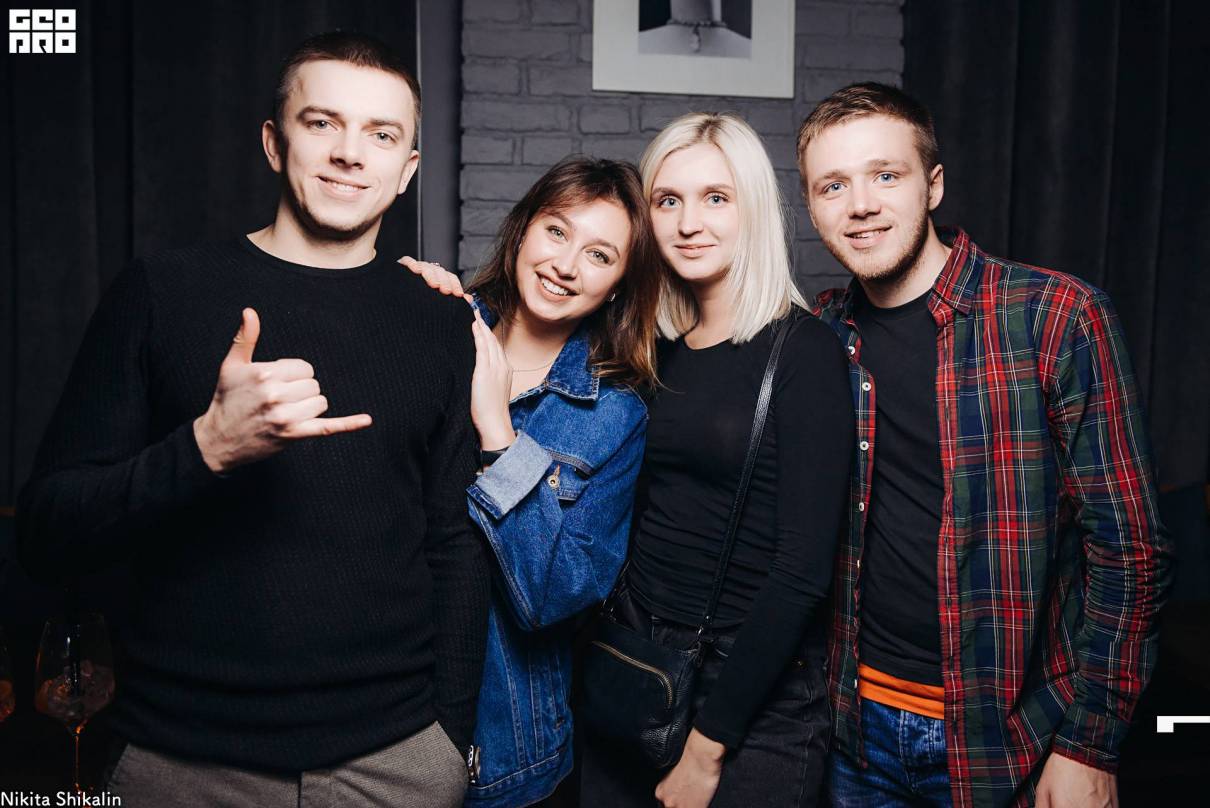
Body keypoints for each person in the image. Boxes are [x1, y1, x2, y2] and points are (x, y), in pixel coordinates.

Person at [17, 32, 488, 807]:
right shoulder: (161, 292)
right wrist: (205, 448)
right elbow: (44, 534)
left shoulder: (440, 322)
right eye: (321, 123)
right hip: (182, 760)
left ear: (407, 170)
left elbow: (454, 543)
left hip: (396, 761)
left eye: (380, 135)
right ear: (274, 143)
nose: (349, 153)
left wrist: (449, 739)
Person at [796, 82, 1174, 808]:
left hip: (1010, 741)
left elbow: (1130, 550)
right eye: (833, 185)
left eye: (886, 175)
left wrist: (1090, 743)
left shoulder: (1056, 317)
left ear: (933, 185)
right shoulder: (821, 335)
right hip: (853, 733)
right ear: (812, 207)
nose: (860, 204)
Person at [573, 113, 854, 807]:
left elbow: (802, 572)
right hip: (637, 666)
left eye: (715, 198)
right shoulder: (652, 346)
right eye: (668, 200)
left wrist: (707, 747)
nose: (689, 223)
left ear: (751, 208)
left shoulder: (804, 351)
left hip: (749, 696)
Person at [402, 156, 664, 807]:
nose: (566, 265)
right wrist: (392, 298)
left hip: (503, 745)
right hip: (374, 711)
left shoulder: (615, 414)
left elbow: (557, 594)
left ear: (618, 285)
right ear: (523, 230)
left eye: (599, 255)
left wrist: (499, 435)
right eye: (556, 231)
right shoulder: (436, 329)